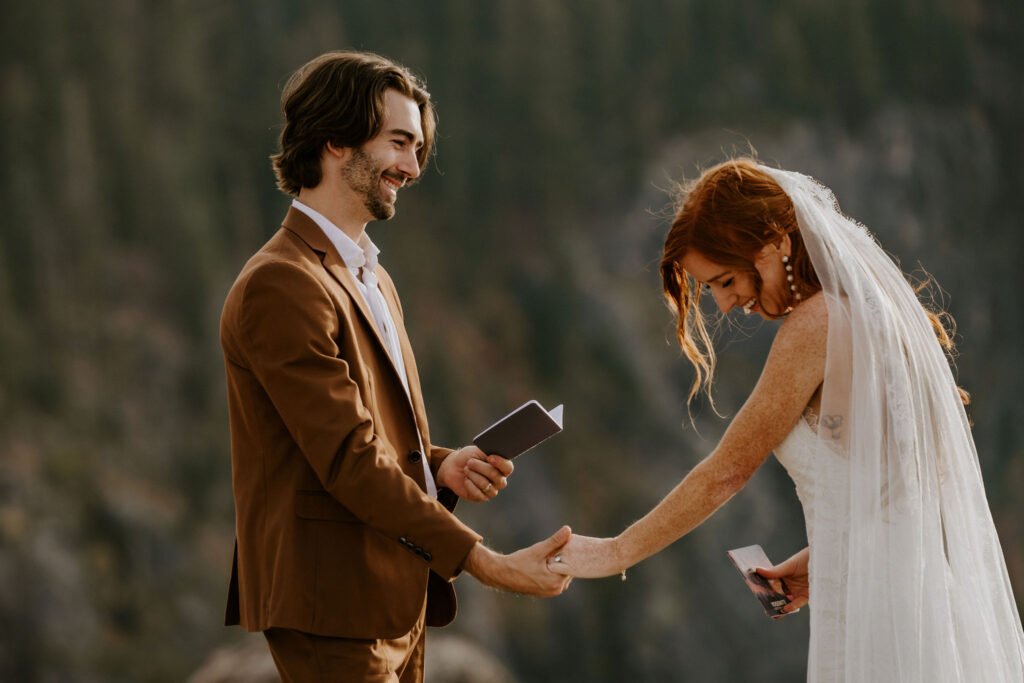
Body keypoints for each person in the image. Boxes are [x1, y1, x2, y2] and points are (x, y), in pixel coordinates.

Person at [548, 158, 1024, 681]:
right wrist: (824, 558)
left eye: (725, 280)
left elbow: (728, 471)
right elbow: (904, 486)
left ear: (775, 243)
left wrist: (617, 551)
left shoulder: (816, 324)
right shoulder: (874, 318)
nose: (727, 305)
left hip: (877, 611)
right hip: (913, 595)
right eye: (712, 290)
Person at [219, 51, 570, 683]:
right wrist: (487, 563)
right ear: (335, 138)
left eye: (418, 148)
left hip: (389, 593)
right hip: (332, 602)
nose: (411, 167)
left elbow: (369, 435)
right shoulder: (281, 283)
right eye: (399, 143)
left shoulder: (371, 275)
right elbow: (347, 455)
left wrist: (440, 464)